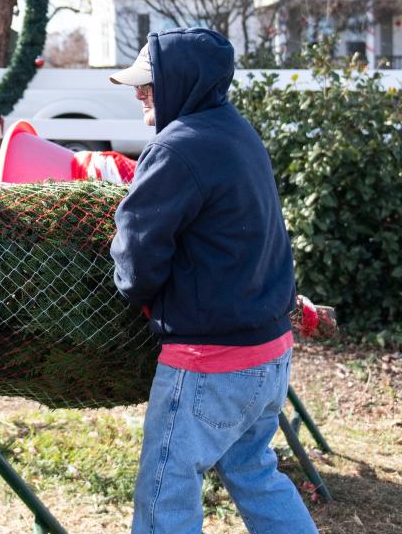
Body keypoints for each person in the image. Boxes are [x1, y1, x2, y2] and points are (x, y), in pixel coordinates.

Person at [109, 29, 318, 534]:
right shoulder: (237, 133)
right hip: (269, 353)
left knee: (166, 490)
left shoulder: (176, 149)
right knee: (252, 468)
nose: (139, 93)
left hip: (211, 364)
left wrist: (136, 291)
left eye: (149, 84)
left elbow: (136, 252)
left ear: (183, 82)